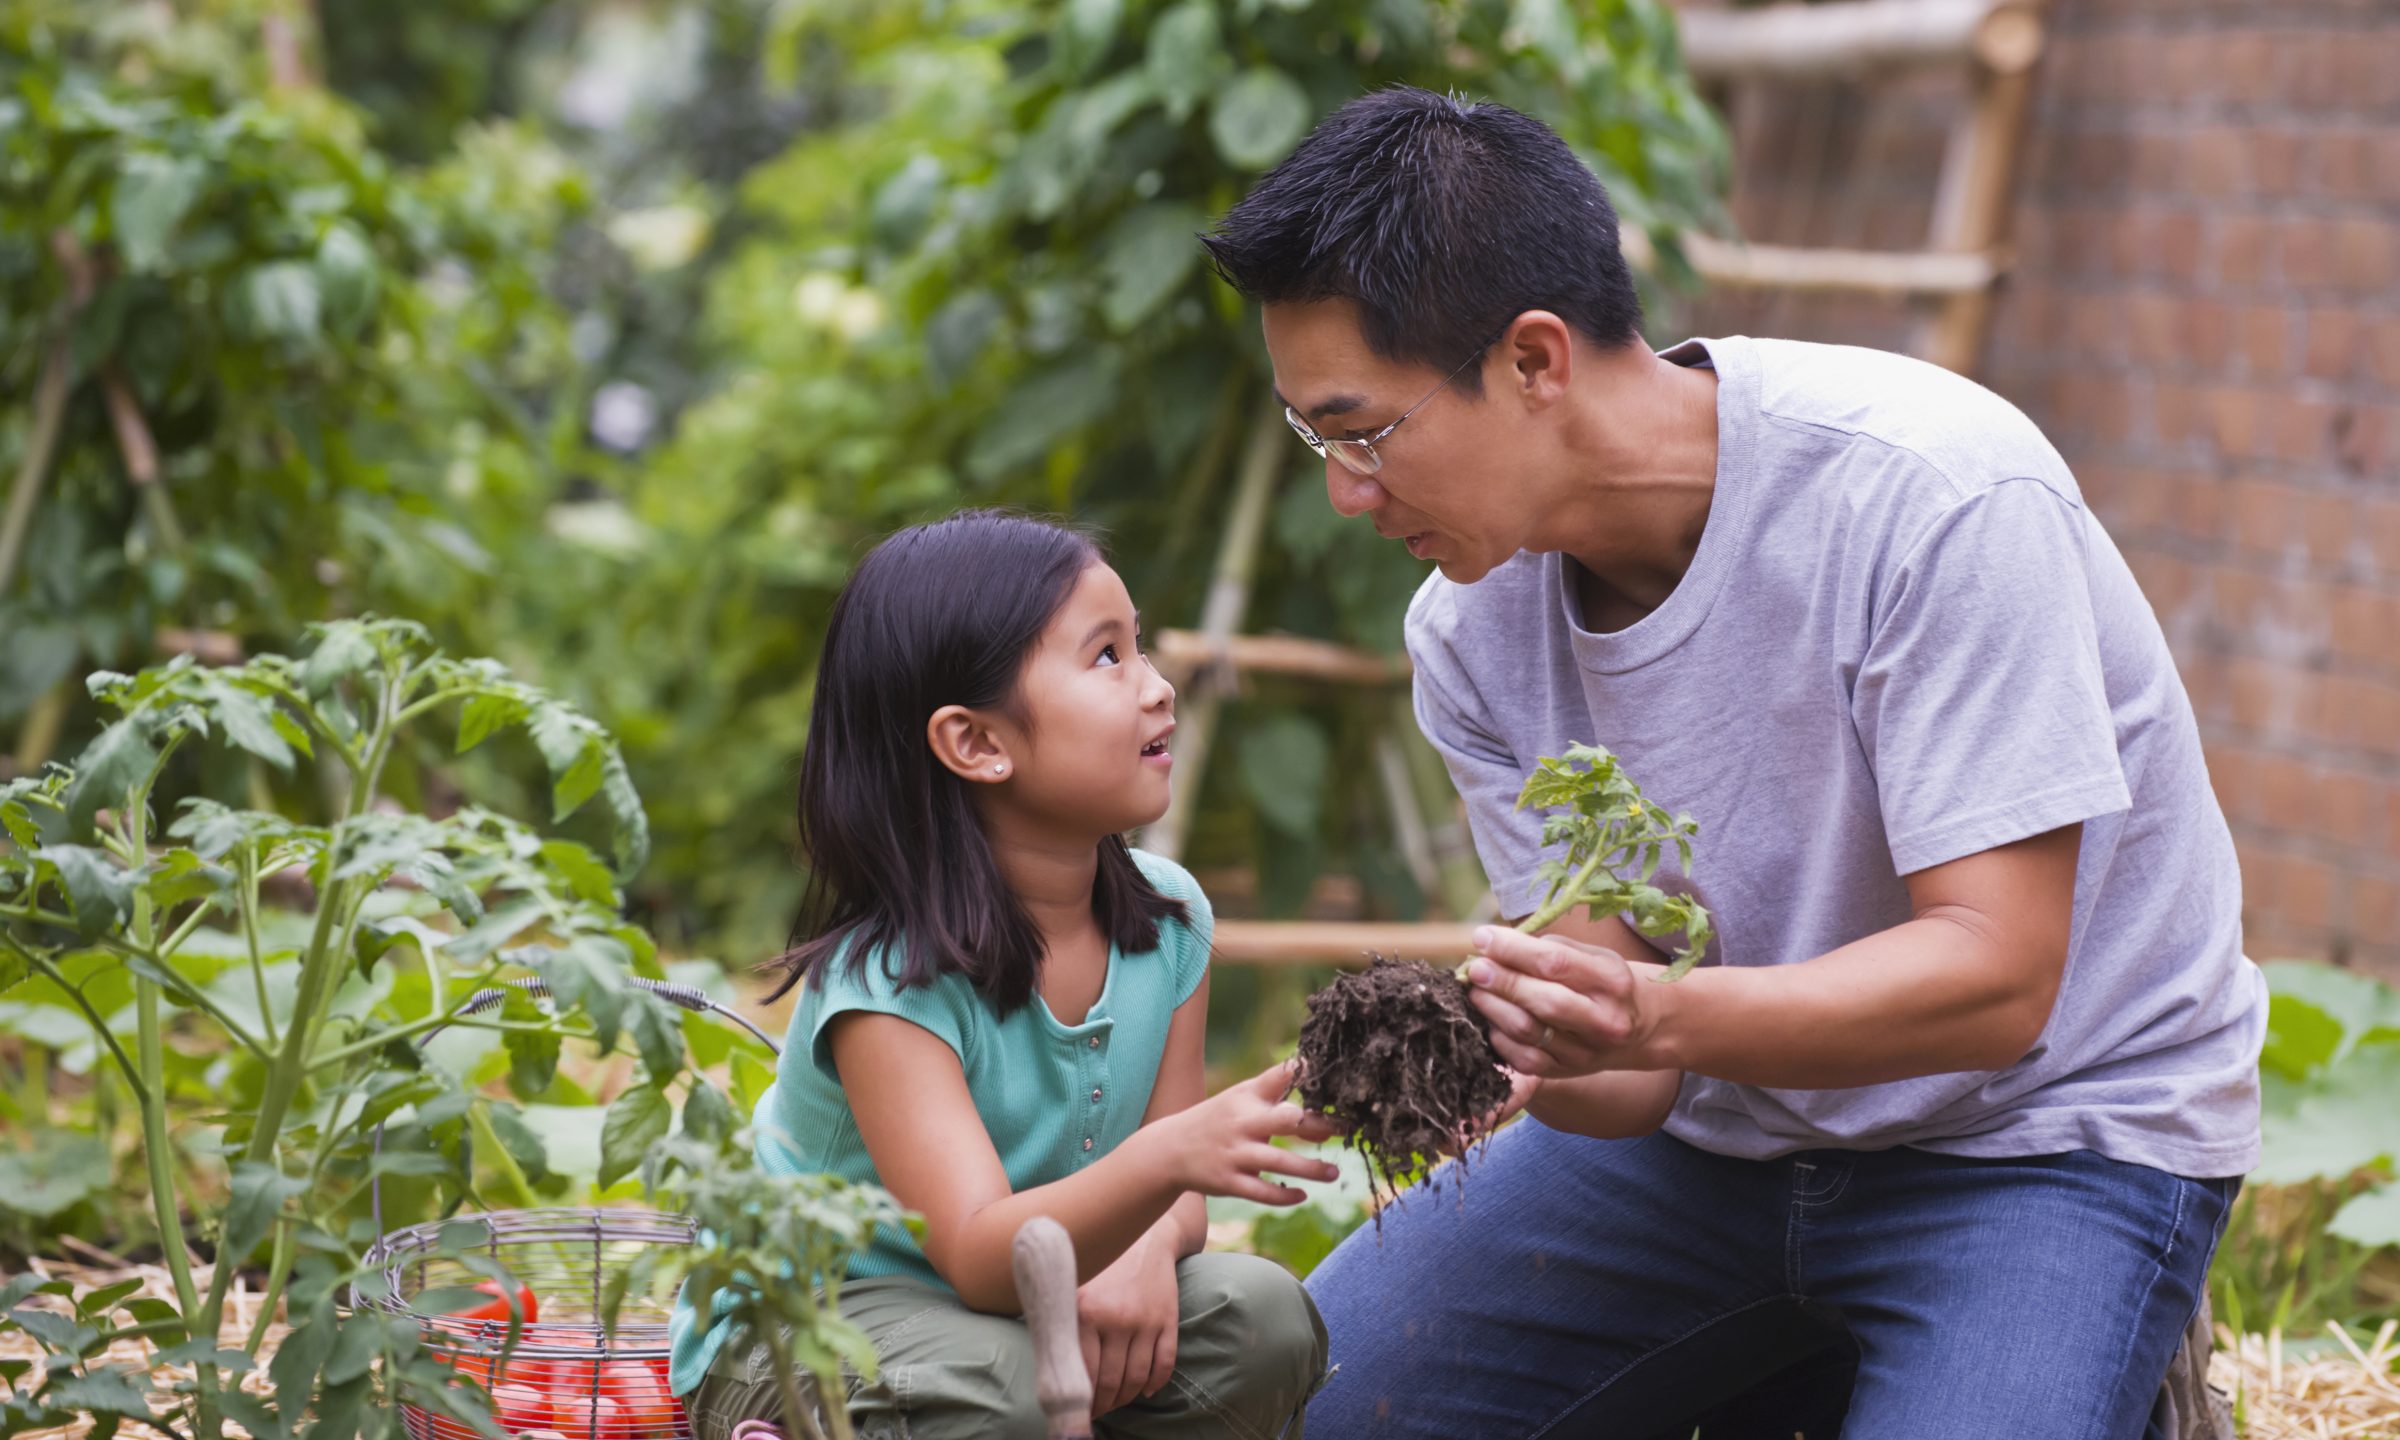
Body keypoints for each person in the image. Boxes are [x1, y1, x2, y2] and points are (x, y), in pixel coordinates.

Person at [1200, 87, 2264, 1439]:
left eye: (1366, 433)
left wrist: (1652, 1020)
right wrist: (1542, 1039)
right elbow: (1635, 1069)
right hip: (1718, 1155)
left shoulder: (1924, 498)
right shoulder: (1470, 630)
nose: (1346, 493)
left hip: (2042, 1145)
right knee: (1304, 1411)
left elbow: (1997, 982)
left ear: (1534, 361)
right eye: (1318, 441)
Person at [665, 511, 1333, 1440]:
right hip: (820, 1322)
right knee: (1005, 1389)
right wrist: (1167, 1163)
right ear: (976, 743)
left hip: (1029, 1312)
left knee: (1259, 1316)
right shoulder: (891, 980)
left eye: (1140, 647)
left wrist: (1148, 1238)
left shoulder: (1170, 922)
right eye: (1108, 657)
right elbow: (983, 1253)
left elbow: (1176, 1199)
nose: (1160, 689)